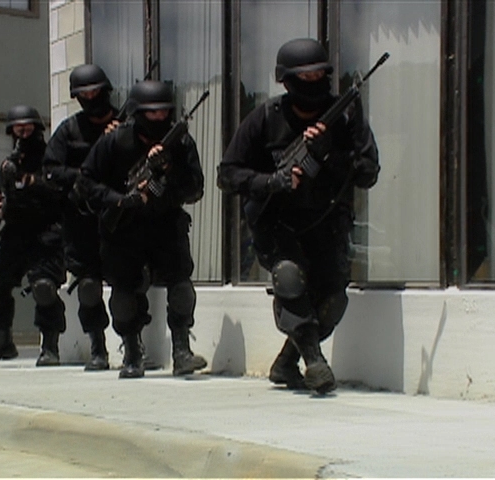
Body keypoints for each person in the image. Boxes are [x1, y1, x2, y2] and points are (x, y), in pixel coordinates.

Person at [217, 38, 380, 394]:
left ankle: (286, 362)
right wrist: (270, 181)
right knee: (290, 278)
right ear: (287, 80)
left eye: (319, 75)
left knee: (332, 302)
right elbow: (227, 174)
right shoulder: (266, 118)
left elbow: (368, 172)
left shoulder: (345, 115)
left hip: (327, 221)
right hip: (277, 222)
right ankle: (314, 362)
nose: (313, 82)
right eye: (304, 77)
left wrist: (330, 155)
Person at [80, 80, 207, 379]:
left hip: (166, 225)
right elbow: (85, 182)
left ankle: (182, 351)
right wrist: (120, 200)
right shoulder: (115, 142)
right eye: (153, 113)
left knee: (181, 287)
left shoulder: (180, 143)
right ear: (138, 113)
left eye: (164, 112)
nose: (160, 118)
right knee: (124, 294)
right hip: (124, 229)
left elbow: (195, 188)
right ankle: (132, 353)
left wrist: (169, 172)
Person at [0, 105, 67, 368]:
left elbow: (61, 190)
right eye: (17, 129)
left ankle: (50, 346)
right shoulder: (9, 165)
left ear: (37, 129)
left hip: (46, 233)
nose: (22, 134)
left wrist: (31, 182)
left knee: (43, 287)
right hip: (15, 233)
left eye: (27, 128)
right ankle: (2, 341)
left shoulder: (50, 158)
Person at [42, 64, 119, 371]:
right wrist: (84, 177)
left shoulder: (123, 125)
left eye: (95, 92)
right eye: (84, 94)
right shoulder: (69, 131)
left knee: (130, 282)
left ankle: (133, 344)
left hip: (119, 216)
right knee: (88, 286)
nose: (90, 98)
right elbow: (50, 170)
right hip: (82, 220)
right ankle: (98, 346)